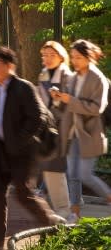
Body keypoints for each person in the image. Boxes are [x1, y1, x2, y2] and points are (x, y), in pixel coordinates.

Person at [0, 47, 65, 250]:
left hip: (21, 152)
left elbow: (37, 118)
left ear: (10, 66)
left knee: (23, 193)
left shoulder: (23, 88)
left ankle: (51, 225)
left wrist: (17, 140)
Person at [50, 39, 111, 218]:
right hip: (71, 133)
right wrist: (59, 97)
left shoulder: (98, 78)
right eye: (73, 57)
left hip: (89, 134)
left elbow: (96, 108)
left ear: (88, 57)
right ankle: (74, 213)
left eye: (78, 57)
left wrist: (70, 100)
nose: (74, 61)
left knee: (85, 175)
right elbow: (68, 105)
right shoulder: (74, 77)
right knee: (72, 175)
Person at [35, 41, 75, 223]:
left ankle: (65, 212)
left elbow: (74, 103)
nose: (47, 58)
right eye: (44, 55)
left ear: (61, 56)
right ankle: (63, 211)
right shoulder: (43, 74)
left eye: (51, 55)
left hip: (64, 129)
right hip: (48, 129)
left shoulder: (68, 75)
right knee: (51, 169)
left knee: (55, 168)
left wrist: (58, 100)